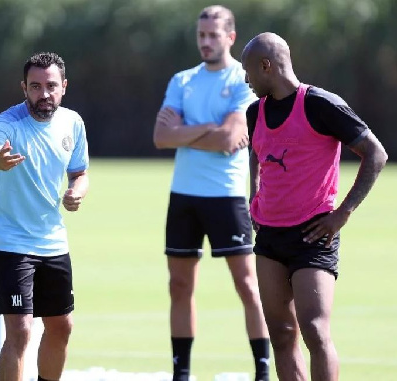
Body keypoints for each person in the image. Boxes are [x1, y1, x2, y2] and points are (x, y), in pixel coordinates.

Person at [241, 32, 388, 381]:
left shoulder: (320, 104)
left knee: (314, 331)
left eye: (248, 72)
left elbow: (375, 154)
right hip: (270, 238)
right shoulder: (254, 112)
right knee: (281, 334)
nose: (246, 80)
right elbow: (256, 155)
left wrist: (343, 212)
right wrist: (254, 195)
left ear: (267, 65)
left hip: (314, 234)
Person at [153, 6, 271, 381]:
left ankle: (263, 370)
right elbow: (161, 137)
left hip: (227, 197)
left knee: (248, 284)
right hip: (184, 196)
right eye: (201, 35)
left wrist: (186, 130)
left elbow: (231, 139)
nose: (205, 42)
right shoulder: (182, 80)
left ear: (230, 37)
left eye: (213, 35)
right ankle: (181, 373)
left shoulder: (242, 79)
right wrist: (210, 128)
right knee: (180, 285)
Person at [0, 52, 89, 381]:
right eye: (35, 86)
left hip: (53, 242)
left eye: (51, 86)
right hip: (12, 242)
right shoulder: (9, 122)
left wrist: (77, 190)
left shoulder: (72, 123)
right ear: (24, 88)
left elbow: (80, 173)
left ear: (63, 87)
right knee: (21, 331)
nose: (44, 94)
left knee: (61, 327)